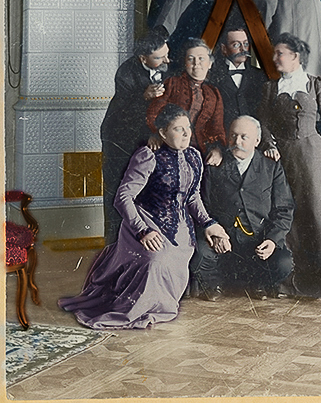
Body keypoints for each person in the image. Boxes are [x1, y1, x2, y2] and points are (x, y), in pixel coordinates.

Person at [59, 105, 229, 329]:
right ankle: (135, 308)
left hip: (180, 230)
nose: (186, 134)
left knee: (170, 259)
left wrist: (208, 223)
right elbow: (123, 197)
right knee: (155, 260)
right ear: (162, 133)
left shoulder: (194, 157)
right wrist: (142, 230)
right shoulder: (148, 156)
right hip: (145, 222)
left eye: (188, 128)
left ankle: (157, 306)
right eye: (178, 129)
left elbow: (192, 196)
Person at [258, 33, 321, 298]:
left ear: (295, 56)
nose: (275, 58)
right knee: (288, 216)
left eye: (280, 53)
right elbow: (263, 122)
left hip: (313, 155)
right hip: (282, 157)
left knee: (318, 216)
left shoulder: (316, 83)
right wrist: (268, 144)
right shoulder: (270, 87)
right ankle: (288, 283)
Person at [190, 116, 295, 301]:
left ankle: (257, 285)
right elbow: (204, 205)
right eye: (233, 136)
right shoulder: (216, 164)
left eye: (244, 137)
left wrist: (272, 240)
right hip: (223, 239)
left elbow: (284, 209)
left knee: (284, 263)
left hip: (257, 239)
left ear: (257, 141)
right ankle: (215, 285)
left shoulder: (270, 166)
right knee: (199, 254)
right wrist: (215, 233)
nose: (237, 142)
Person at [100, 30, 169, 244]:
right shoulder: (126, 72)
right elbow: (123, 113)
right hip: (120, 140)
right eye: (160, 57)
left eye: (167, 54)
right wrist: (143, 96)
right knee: (119, 190)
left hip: (150, 139)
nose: (167, 60)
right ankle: (114, 245)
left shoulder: (167, 67)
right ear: (143, 59)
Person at [146, 38, 226, 165]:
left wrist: (217, 149)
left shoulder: (213, 93)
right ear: (185, 63)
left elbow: (217, 128)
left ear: (210, 63)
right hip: (169, 148)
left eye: (201, 58)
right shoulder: (172, 83)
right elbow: (153, 113)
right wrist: (155, 134)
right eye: (190, 59)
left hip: (200, 152)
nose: (196, 63)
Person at [208, 27, 267, 133]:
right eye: (236, 45)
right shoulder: (212, 75)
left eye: (245, 44)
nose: (243, 49)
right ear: (224, 49)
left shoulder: (258, 75)